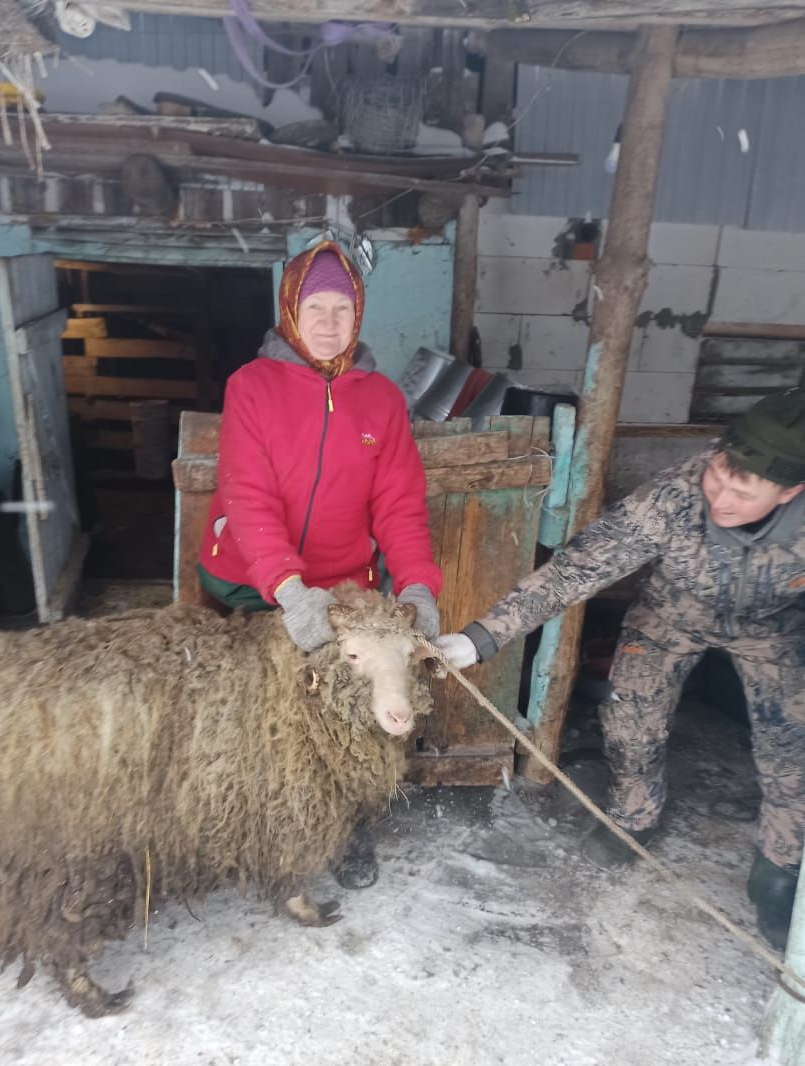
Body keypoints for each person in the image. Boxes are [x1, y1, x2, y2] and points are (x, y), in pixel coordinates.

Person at [437, 388, 805, 951]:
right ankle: (635, 815)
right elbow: (576, 571)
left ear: (791, 491)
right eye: (718, 477)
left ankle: (778, 871)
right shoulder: (676, 495)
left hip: (774, 627)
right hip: (673, 613)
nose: (720, 497)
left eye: (742, 491)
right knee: (630, 723)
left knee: (792, 752)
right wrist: (480, 638)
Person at [198, 239, 442, 889]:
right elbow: (246, 496)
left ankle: (346, 821)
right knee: (270, 694)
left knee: (358, 697)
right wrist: (287, 588)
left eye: (342, 306)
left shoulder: (382, 401)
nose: (329, 320)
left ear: (357, 315)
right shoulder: (251, 386)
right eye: (315, 306)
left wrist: (417, 582)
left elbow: (399, 506)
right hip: (250, 572)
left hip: (344, 583)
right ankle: (253, 812)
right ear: (290, 309)